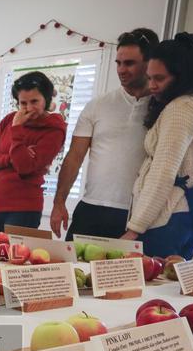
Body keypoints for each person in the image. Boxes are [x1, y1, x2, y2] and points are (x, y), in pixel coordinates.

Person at [123, 32, 193, 259]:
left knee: (148, 291)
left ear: (181, 77)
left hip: (165, 221)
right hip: (183, 218)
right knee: (171, 289)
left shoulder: (181, 109)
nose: (152, 86)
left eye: (159, 79)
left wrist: (134, 229)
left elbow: (163, 173)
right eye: (149, 78)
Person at [51, 28, 158, 239]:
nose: (121, 69)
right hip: (91, 208)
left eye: (129, 63)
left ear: (149, 63)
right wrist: (59, 202)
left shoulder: (164, 108)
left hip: (137, 216)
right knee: (73, 272)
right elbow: (74, 157)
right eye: (118, 63)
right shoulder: (97, 105)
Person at [0, 71, 67, 235]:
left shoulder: (53, 130)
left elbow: (25, 167)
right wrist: (10, 159)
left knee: (12, 258)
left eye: (34, 101)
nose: (28, 108)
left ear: (46, 100)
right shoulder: (9, 119)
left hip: (24, 208)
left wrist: (17, 129)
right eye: (23, 103)